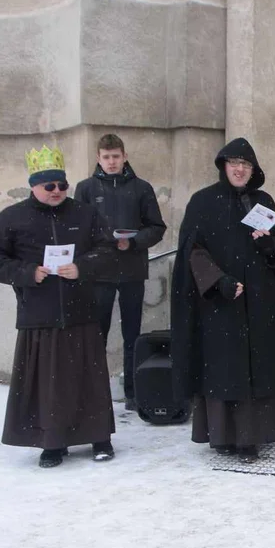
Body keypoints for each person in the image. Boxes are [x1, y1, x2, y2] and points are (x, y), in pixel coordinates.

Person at [0, 145, 117, 467]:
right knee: (49, 385)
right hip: (38, 315)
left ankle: (100, 438)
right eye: (49, 186)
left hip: (81, 311)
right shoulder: (12, 218)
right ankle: (52, 443)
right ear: (34, 186)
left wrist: (83, 267)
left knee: (90, 380)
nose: (57, 191)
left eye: (62, 185)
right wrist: (27, 273)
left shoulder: (84, 213)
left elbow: (108, 248)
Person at [170, 138, 275, 463]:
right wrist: (219, 282)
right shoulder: (202, 202)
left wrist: (269, 245)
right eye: (234, 163)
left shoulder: (263, 201)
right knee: (223, 370)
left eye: (246, 164)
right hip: (219, 304)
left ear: (253, 170)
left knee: (255, 368)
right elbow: (192, 252)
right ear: (223, 167)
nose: (239, 169)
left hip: (259, 305)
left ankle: (250, 437)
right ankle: (223, 435)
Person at [74, 134, 166, 410]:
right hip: (98, 274)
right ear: (98, 158)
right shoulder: (86, 189)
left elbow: (157, 227)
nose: (111, 162)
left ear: (124, 156)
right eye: (106, 157)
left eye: (116, 156)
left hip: (132, 272)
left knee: (132, 335)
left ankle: (133, 392)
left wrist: (134, 241)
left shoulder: (142, 188)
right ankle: (93, 392)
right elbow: (78, 228)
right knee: (95, 334)